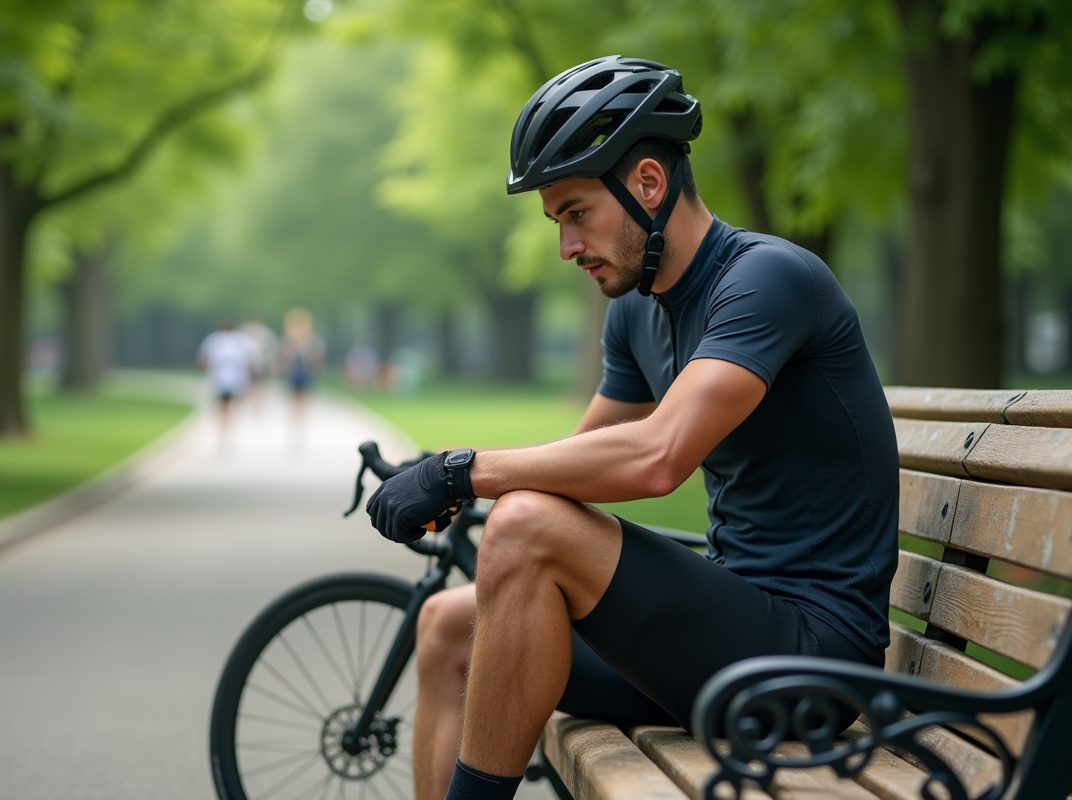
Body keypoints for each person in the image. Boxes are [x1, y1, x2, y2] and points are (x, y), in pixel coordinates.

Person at [363, 56, 899, 800]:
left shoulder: (767, 280)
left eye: (577, 213)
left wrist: (464, 470)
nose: (566, 248)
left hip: (810, 664)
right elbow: (575, 463)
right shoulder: (637, 312)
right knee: (451, 624)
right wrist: (442, 470)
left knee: (523, 529)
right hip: (726, 633)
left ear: (648, 183)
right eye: (556, 222)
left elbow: (656, 460)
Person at [197, 320, 258, 437]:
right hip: (228, 378)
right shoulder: (237, 340)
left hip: (228, 378)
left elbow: (203, 359)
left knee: (225, 404)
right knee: (227, 404)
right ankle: (226, 425)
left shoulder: (214, 340)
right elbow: (252, 358)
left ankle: (225, 425)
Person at [279, 308, 325, 419]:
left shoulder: (311, 340)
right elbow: (282, 356)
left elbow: (318, 356)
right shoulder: (288, 341)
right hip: (293, 371)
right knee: (294, 396)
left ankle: (300, 415)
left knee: (303, 396)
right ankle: (296, 415)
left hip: (306, 371)